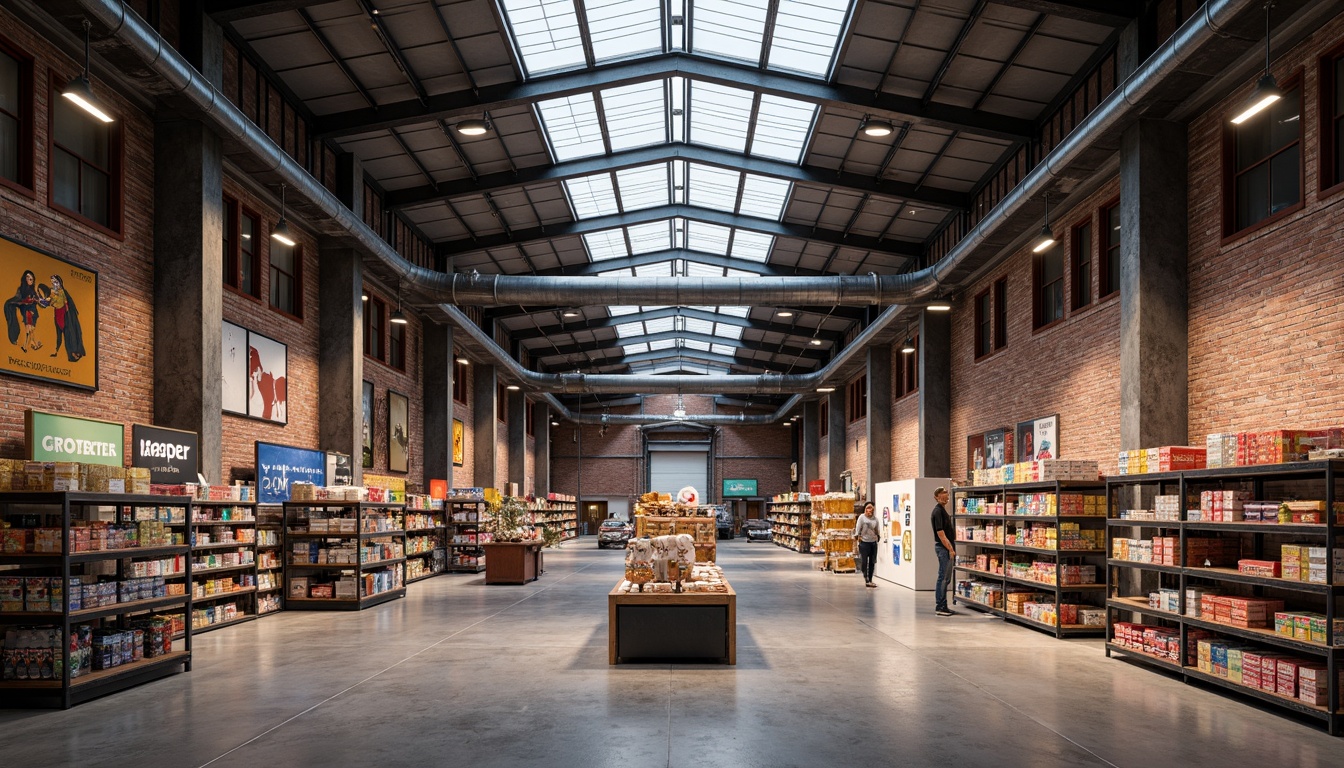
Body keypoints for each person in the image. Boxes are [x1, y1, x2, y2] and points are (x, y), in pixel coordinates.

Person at [42, 274, 85, 362]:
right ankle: (65, 352)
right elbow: (50, 300)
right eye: (52, 282)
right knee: (61, 335)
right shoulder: (54, 292)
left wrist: (50, 303)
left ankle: (74, 352)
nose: (54, 284)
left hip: (65, 316)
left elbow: (59, 303)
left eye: (56, 282)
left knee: (70, 334)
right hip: (58, 315)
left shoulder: (62, 292)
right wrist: (44, 301)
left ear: (60, 283)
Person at [931, 486, 957, 616]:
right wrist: (950, 549)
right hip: (943, 549)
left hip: (946, 548)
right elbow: (941, 534)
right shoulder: (937, 512)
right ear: (936, 497)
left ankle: (943, 605)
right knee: (943, 577)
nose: (945, 496)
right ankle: (940, 606)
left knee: (946, 578)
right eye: (942, 494)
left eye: (946, 494)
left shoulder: (943, 511)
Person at [3, 270, 43, 352]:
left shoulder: (33, 290)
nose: (30, 279)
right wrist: (27, 301)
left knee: (31, 329)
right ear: (25, 279)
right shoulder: (21, 289)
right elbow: (19, 300)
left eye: (31, 278)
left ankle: (31, 344)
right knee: (29, 329)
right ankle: (26, 345)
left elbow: (38, 300)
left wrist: (38, 300)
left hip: (32, 312)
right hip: (27, 312)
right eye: (28, 277)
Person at [854, 501, 880, 588]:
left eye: (871, 509)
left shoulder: (875, 519)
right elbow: (858, 527)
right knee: (864, 562)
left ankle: (870, 580)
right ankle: (865, 576)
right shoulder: (862, 517)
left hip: (873, 543)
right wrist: (857, 536)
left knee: (872, 562)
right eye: (868, 509)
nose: (869, 511)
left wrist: (878, 536)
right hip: (864, 543)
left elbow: (877, 529)